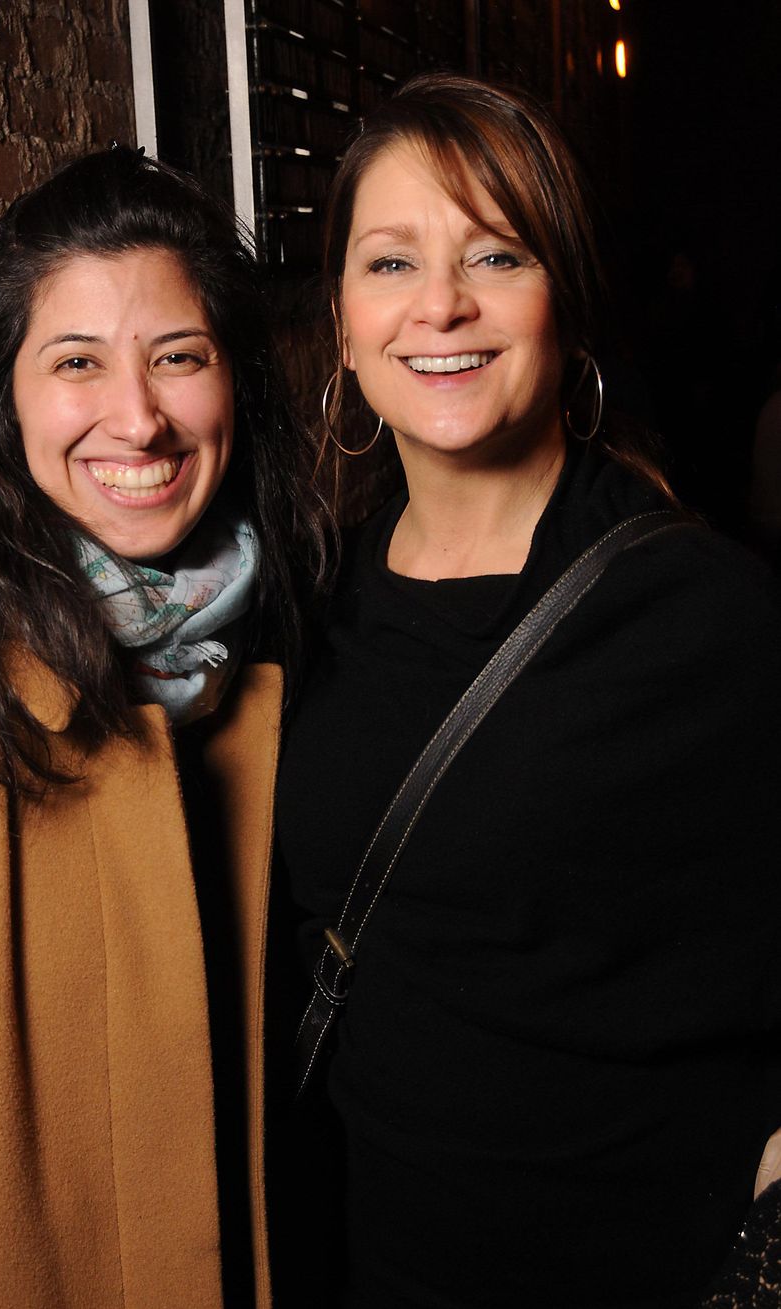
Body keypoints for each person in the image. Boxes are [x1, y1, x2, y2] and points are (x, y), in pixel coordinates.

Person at [275, 73, 781, 1307]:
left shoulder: (699, 615)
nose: (438, 303)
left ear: (563, 302)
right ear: (339, 316)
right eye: (388, 263)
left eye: (494, 255)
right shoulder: (306, 601)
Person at [0, 147, 329, 1308]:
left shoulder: (268, 690)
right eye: (76, 362)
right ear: (2, 401)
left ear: (232, 381)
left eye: (177, 357)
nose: (136, 420)